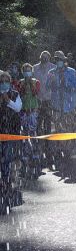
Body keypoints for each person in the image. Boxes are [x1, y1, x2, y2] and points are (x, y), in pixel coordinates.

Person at [46, 51, 76, 180]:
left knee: (69, 130)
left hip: (69, 106)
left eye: (60, 59)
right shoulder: (51, 72)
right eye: (56, 59)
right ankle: (60, 152)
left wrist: (65, 82)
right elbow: (47, 86)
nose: (58, 61)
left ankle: (68, 152)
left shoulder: (71, 71)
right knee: (58, 130)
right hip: (56, 107)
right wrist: (52, 81)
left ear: (64, 60)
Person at [0, 71, 22, 214]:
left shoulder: (15, 93)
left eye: (6, 81)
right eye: (1, 81)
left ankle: (7, 188)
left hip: (10, 133)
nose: (4, 83)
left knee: (7, 161)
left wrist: (7, 100)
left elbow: (18, 108)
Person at [18, 63, 41, 178]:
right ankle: (25, 158)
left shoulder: (36, 81)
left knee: (33, 134)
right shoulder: (20, 82)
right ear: (23, 71)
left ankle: (36, 158)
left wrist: (30, 83)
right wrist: (22, 85)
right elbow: (19, 94)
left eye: (29, 70)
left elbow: (36, 92)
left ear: (32, 71)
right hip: (23, 111)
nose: (27, 72)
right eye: (25, 70)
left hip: (33, 111)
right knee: (24, 135)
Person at [33, 51, 56, 135]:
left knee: (48, 120)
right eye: (43, 56)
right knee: (38, 120)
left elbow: (56, 84)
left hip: (49, 98)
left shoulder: (54, 67)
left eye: (46, 57)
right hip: (37, 98)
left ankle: (48, 140)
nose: (45, 58)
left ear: (49, 58)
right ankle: (38, 139)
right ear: (40, 57)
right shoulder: (34, 68)